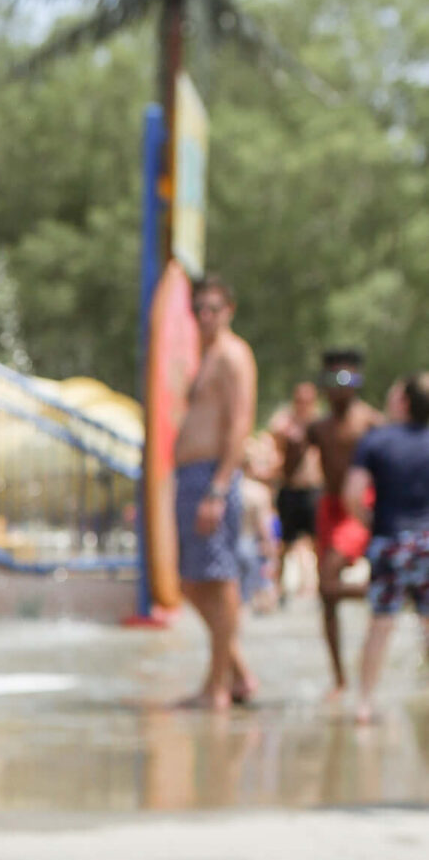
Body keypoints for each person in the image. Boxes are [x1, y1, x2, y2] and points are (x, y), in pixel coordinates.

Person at [172, 275, 258, 709]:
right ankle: (239, 674)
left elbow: (240, 423)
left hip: (212, 479)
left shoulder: (232, 355)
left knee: (219, 580)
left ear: (229, 310)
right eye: (199, 308)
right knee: (190, 582)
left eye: (213, 308)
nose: (205, 316)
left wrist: (219, 488)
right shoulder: (206, 357)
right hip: (192, 477)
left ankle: (217, 685)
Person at [346, 372, 429, 723]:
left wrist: (372, 524)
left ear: (404, 402)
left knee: (381, 623)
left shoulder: (376, 441)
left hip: (390, 539)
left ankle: (365, 703)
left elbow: (352, 494)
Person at [308, 348, 381, 696]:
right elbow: (289, 470)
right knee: (327, 598)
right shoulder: (317, 427)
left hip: (358, 507)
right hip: (328, 509)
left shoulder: (371, 422)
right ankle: (339, 678)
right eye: (332, 380)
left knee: (327, 584)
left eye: (346, 379)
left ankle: (392, 594)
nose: (339, 388)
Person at [267, 381, 323, 597]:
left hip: (313, 490)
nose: (303, 405)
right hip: (290, 489)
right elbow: (274, 442)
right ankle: (278, 587)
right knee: (283, 542)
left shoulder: (319, 425)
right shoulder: (285, 422)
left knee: (316, 541)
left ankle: (318, 586)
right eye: (300, 400)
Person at [238, 432, 281, 613]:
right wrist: (272, 551)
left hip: (233, 545)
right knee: (263, 590)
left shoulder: (230, 490)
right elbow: (264, 526)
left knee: (237, 599)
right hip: (252, 546)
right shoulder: (260, 491)